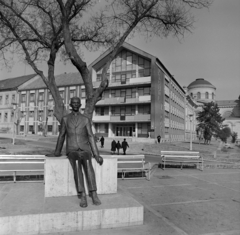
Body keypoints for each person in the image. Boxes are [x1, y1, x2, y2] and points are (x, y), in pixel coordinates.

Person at [46, 97, 103, 208]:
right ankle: (82, 195)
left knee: (88, 164)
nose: (76, 104)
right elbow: (61, 136)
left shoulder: (85, 119)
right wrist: (57, 152)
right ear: (70, 105)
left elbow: (91, 136)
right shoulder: (65, 119)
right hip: (72, 150)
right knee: (77, 165)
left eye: (77, 103)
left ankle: (93, 193)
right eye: (74, 103)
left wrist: (96, 154)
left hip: (84, 149)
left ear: (80, 105)